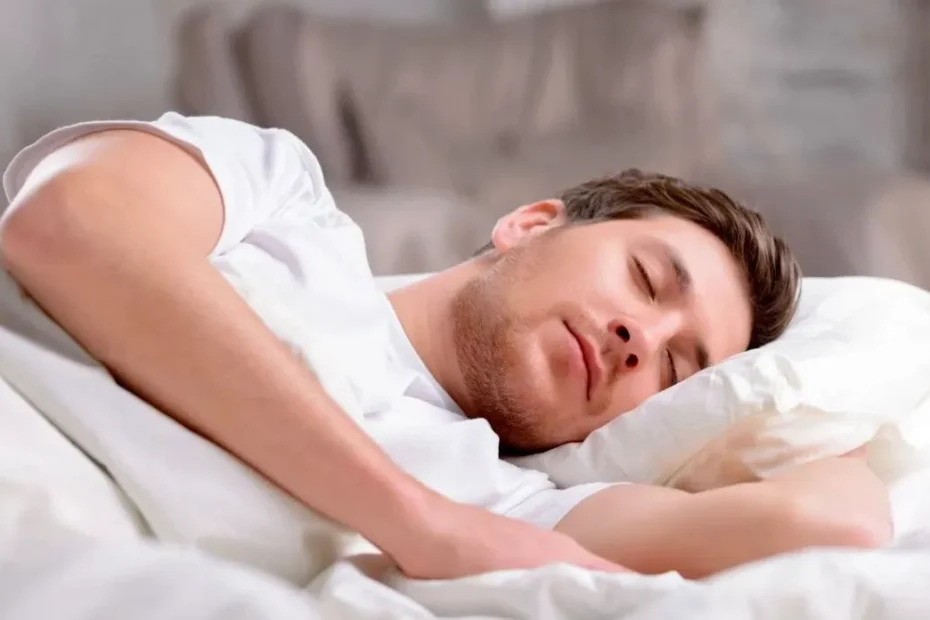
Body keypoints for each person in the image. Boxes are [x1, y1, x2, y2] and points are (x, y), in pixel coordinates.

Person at [0, 114, 891, 580]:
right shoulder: (279, 199)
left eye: (675, 368)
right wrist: (413, 520)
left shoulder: (509, 506)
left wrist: (827, 397)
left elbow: (832, 526)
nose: (639, 339)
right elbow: (66, 224)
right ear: (530, 222)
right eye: (646, 280)